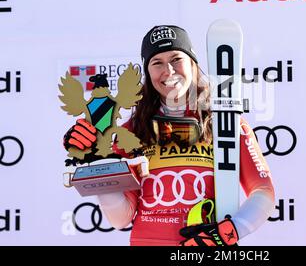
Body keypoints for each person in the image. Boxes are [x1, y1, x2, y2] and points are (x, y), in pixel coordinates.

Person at [63, 25, 275, 246]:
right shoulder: (132, 131)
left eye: (176, 59)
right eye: (157, 63)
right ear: (148, 72)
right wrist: (101, 171)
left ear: (192, 63)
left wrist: (226, 233)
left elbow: (264, 192)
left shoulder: (226, 123)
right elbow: (121, 218)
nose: (169, 71)